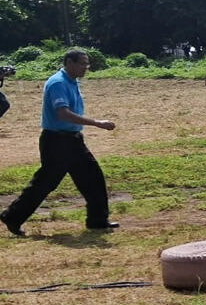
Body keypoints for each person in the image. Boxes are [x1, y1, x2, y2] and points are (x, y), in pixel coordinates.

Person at [1, 50, 118, 237]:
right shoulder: (58, 83)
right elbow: (62, 114)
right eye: (82, 64)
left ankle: (97, 221)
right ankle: (12, 216)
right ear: (69, 62)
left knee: (93, 178)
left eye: (87, 64)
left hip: (72, 140)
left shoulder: (71, 81)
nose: (86, 68)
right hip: (57, 141)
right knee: (45, 183)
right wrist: (96, 123)